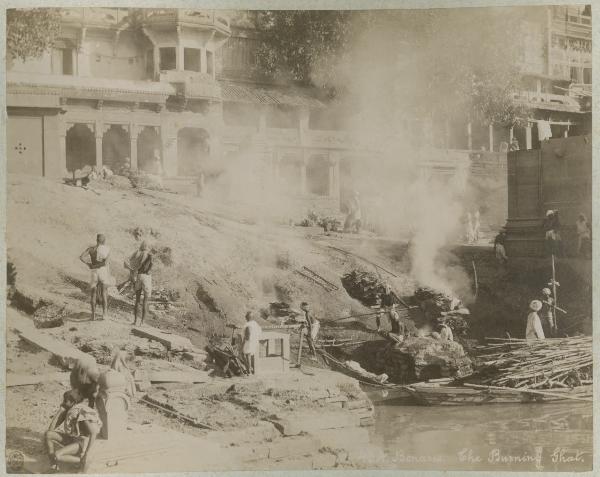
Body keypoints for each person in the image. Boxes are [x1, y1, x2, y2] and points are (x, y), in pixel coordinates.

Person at [45, 389, 102, 473]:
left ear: (73, 402)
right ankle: (54, 465)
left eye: (65, 401)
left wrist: (87, 453)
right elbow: (51, 429)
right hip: (72, 438)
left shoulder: (79, 412)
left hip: (81, 443)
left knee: (57, 455)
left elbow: (93, 433)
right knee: (48, 434)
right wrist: (60, 411)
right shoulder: (69, 410)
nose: (63, 402)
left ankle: (82, 461)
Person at [80, 234, 111, 321]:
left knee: (93, 293)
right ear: (104, 241)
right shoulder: (107, 249)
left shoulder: (91, 249)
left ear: (96, 240)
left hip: (94, 272)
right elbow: (106, 263)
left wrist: (89, 264)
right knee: (104, 292)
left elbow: (81, 257)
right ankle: (104, 315)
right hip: (102, 271)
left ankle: (93, 315)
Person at [125, 241, 153, 326]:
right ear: (148, 246)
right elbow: (151, 267)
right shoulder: (149, 255)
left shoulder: (137, 253)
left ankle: (135, 321)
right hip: (146, 277)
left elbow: (126, 261)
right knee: (145, 300)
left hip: (139, 275)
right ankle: (142, 322)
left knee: (137, 300)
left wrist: (132, 270)